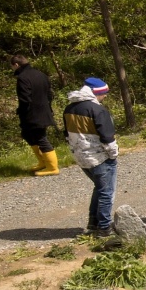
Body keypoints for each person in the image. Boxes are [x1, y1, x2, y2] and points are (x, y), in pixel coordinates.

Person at [64, 78, 120, 235]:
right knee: (107, 192)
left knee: (99, 188)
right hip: (99, 157)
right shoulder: (98, 110)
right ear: (96, 93)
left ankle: (93, 222)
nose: (105, 96)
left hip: (80, 156)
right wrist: (113, 154)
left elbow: (66, 134)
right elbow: (107, 137)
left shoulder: (69, 109)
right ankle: (104, 226)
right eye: (104, 93)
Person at [11, 55, 59, 176]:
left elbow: (24, 99)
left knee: (40, 138)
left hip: (32, 114)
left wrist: (21, 111)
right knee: (27, 135)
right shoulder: (41, 74)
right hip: (44, 111)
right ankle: (43, 162)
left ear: (16, 65)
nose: (12, 69)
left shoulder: (22, 78)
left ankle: (53, 168)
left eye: (12, 66)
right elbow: (50, 94)